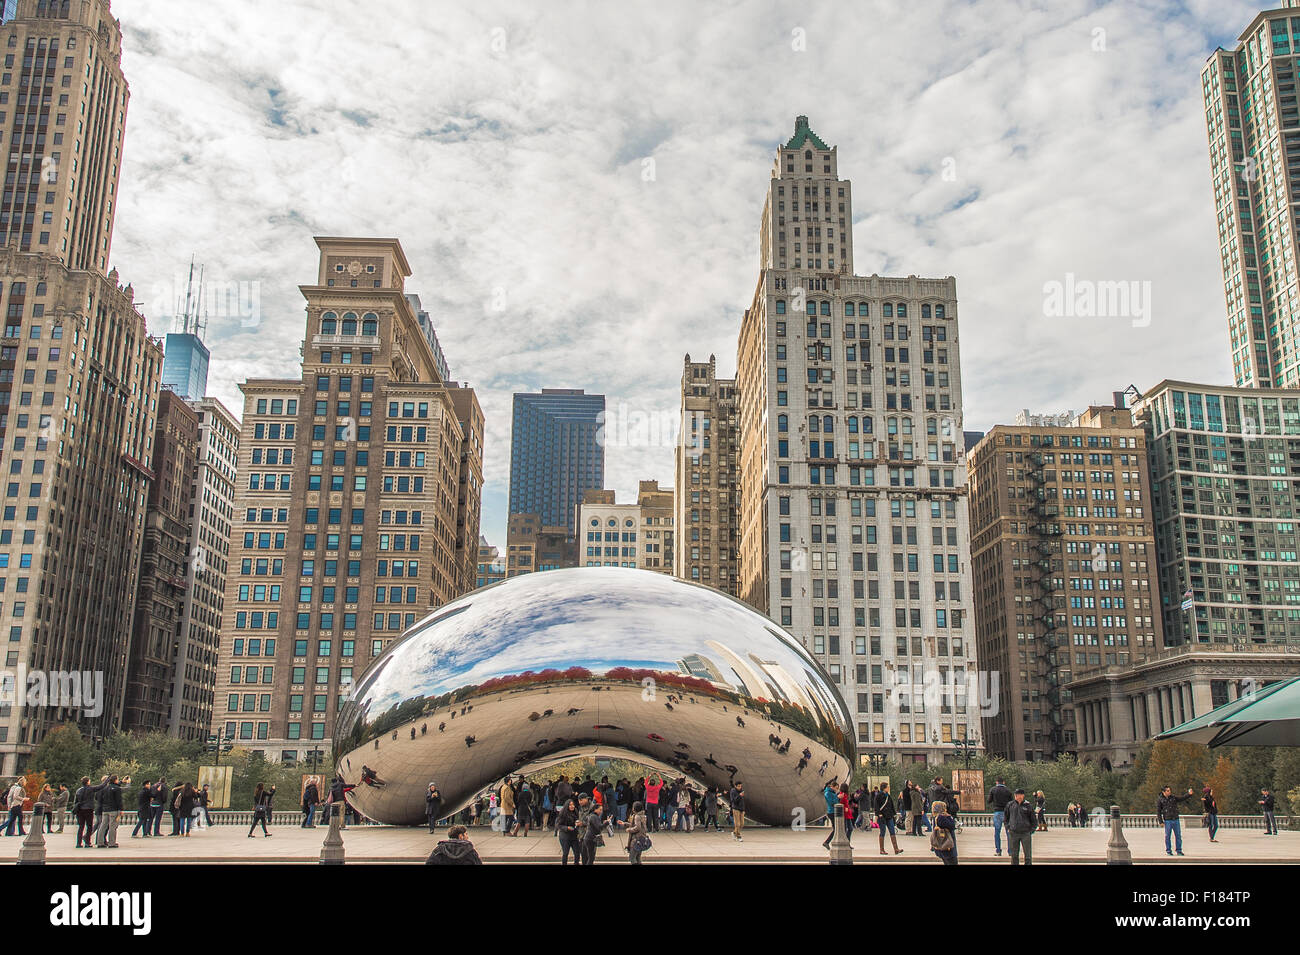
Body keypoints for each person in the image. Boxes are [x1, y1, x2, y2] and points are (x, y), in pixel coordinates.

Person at [1156, 785, 1195, 856]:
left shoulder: (1173, 797)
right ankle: (1168, 851)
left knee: (1178, 836)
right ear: (1163, 792)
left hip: (1175, 819)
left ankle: (1179, 850)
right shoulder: (1160, 800)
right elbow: (1158, 811)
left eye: (1170, 790)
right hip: (1168, 820)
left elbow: (1181, 798)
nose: (1169, 792)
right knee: (1167, 836)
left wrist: (1189, 794)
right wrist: (1161, 821)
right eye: (1168, 791)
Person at [1005, 788, 1037, 865]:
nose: (1018, 797)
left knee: (1028, 855)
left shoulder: (1028, 805)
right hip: (1014, 832)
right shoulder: (1010, 805)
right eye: (1016, 795)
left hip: (1025, 833)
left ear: (1023, 796)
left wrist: (1031, 830)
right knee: (1014, 855)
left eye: (1020, 795)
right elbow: (1006, 818)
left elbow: (1033, 819)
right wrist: (1008, 827)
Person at [94, 774, 126, 848]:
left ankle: (100, 842)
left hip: (105, 809)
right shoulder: (116, 788)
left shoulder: (104, 788)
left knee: (103, 826)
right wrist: (121, 809)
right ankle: (112, 843)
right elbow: (119, 800)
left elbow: (100, 799)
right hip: (113, 809)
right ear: (115, 780)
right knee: (112, 826)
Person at [874, 781, 903, 855]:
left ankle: (896, 849)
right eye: (887, 787)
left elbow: (891, 805)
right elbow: (876, 805)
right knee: (882, 832)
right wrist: (878, 814)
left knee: (892, 831)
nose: (888, 788)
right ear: (884, 788)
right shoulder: (878, 795)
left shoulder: (888, 796)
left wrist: (894, 814)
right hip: (882, 816)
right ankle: (882, 849)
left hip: (889, 816)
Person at [987, 777, 1012, 856]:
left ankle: (998, 850)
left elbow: (989, 801)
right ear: (1003, 782)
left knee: (997, 832)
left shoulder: (993, 790)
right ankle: (1010, 851)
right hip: (1006, 813)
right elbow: (1011, 802)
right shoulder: (1008, 790)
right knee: (1008, 832)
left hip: (997, 812)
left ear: (996, 782)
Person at [929, 800, 957, 864]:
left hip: (941, 844)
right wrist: (949, 817)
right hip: (947, 844)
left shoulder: (936, 817)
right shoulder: (942, 817)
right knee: (952, 861)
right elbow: (952, 826)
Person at [578, 795, 603, 865]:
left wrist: (582, 823)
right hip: (582, 834)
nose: (580, 802)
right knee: (584, 855)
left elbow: (593, 822)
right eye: (579, 800)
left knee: (590, 856)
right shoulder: (581, 808)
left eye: (581, 800)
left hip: (589, 835)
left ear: (586, 799)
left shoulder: (592, 808)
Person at [555, 797, 580, 865]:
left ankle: (576, 863)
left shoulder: (575, 812)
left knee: (577, 852)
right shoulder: (563, 814)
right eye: (570, 805)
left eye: (573, 805)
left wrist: (578, 823)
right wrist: (567, 828)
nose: (572, 806)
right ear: (567, 806)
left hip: (574, 835)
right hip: (565, 836)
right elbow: (558, 825)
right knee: (565, 853)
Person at [625, 800, 651, 864]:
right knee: (638, 857)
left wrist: (629, 830)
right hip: (641, 839)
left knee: (632, 857)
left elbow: (637, 827)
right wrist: (625, 823)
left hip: (636, 839)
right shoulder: (643, 816)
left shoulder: (637, 816)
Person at [73, 776, 96, 848]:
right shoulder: (90, 789)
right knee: (89, 826)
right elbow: (101, 786)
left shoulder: (79, 790)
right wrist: (108, 779)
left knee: (81, 827)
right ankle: (87, 842)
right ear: (88, 782)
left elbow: (76, 801)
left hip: (80, 810)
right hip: (88, 809)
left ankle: (78, 843)